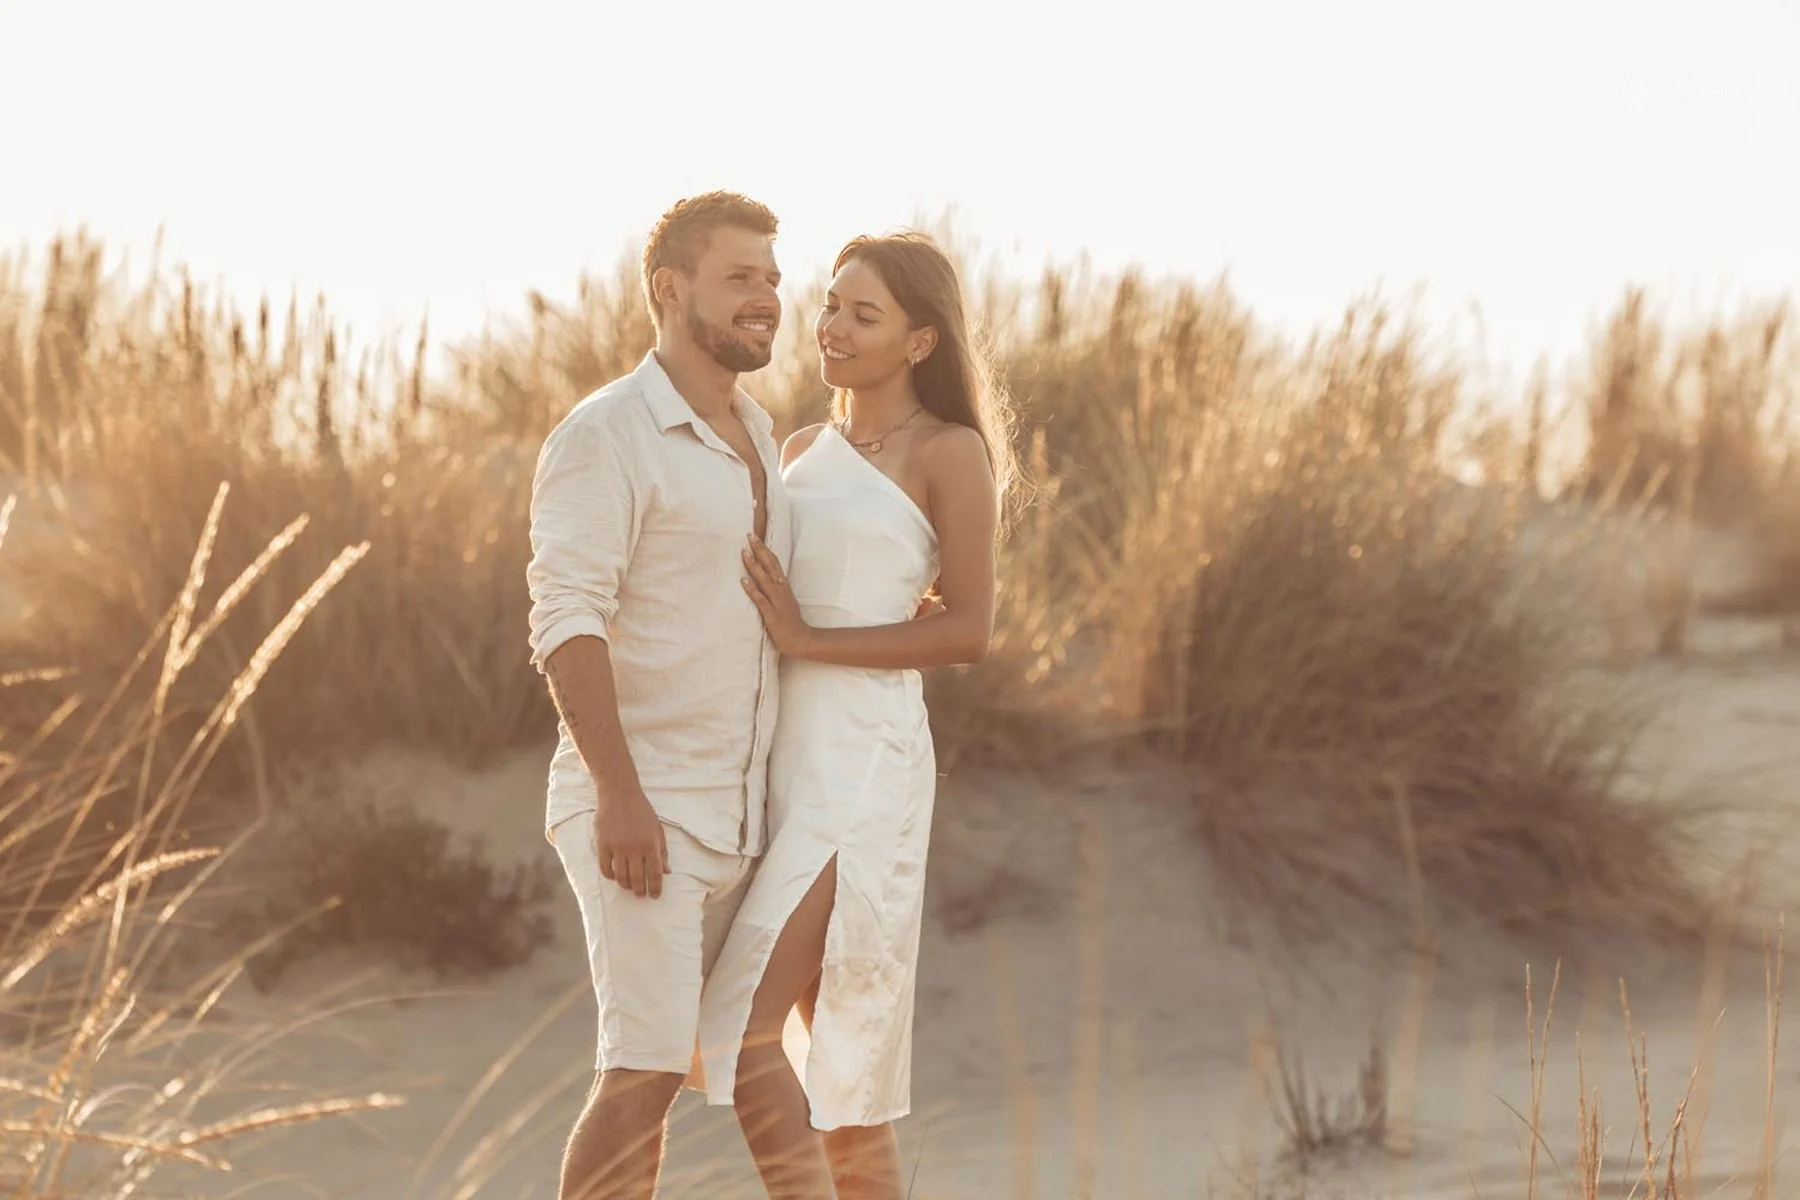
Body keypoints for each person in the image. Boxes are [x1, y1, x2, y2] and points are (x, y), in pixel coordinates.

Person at [697, 231, 1014, 1199]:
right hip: (785, 766)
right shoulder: (798, 448)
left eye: (862, 313)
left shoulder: (952, 455)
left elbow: (967, 630)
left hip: (865, 766)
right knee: (846, 1084)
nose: (831, 326)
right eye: (831, 303)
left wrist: (811, 641)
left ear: (921, 343)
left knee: (742, 1034)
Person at [524, 190, 790, 1200]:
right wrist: (620, 796)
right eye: (740, 277)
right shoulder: (608, 434)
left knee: (734, 1069)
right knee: (640, 1068)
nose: (767, 296)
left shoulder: (760, 433)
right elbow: (567, 620)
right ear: (670, 290)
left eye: (771, 274)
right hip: (645, 811)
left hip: (742, 818)